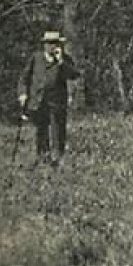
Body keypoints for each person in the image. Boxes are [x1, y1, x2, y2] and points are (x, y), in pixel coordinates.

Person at [17, 28, 80, 165]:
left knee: (58, 129)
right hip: (38, 100)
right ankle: (43, 157)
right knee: (41, 129)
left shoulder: (64, 59)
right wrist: (22, 94)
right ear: (44, 45)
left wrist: (61, 62)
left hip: (57, 101)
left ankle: (58, 157)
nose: (53, 46)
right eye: (50, 43)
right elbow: (24, 78)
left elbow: (74, 75)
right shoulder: (36, 58)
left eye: (56, 43)